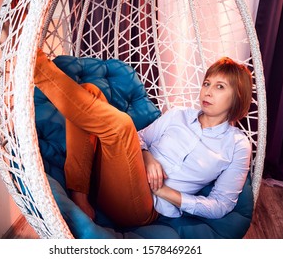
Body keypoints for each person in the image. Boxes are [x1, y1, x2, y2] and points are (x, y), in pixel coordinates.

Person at [34, 49, 253, 228]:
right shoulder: (179, 115)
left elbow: (221, 205)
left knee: (122, 126)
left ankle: (34, 63)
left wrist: (165, 192)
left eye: (220, 87)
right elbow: (140, 138)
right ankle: (79, 194)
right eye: (207, 83)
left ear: (238, 96)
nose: (208, 91)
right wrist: (147, 156)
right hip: (111, 176)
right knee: (89, 90)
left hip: (145, 206)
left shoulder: (237, 145)